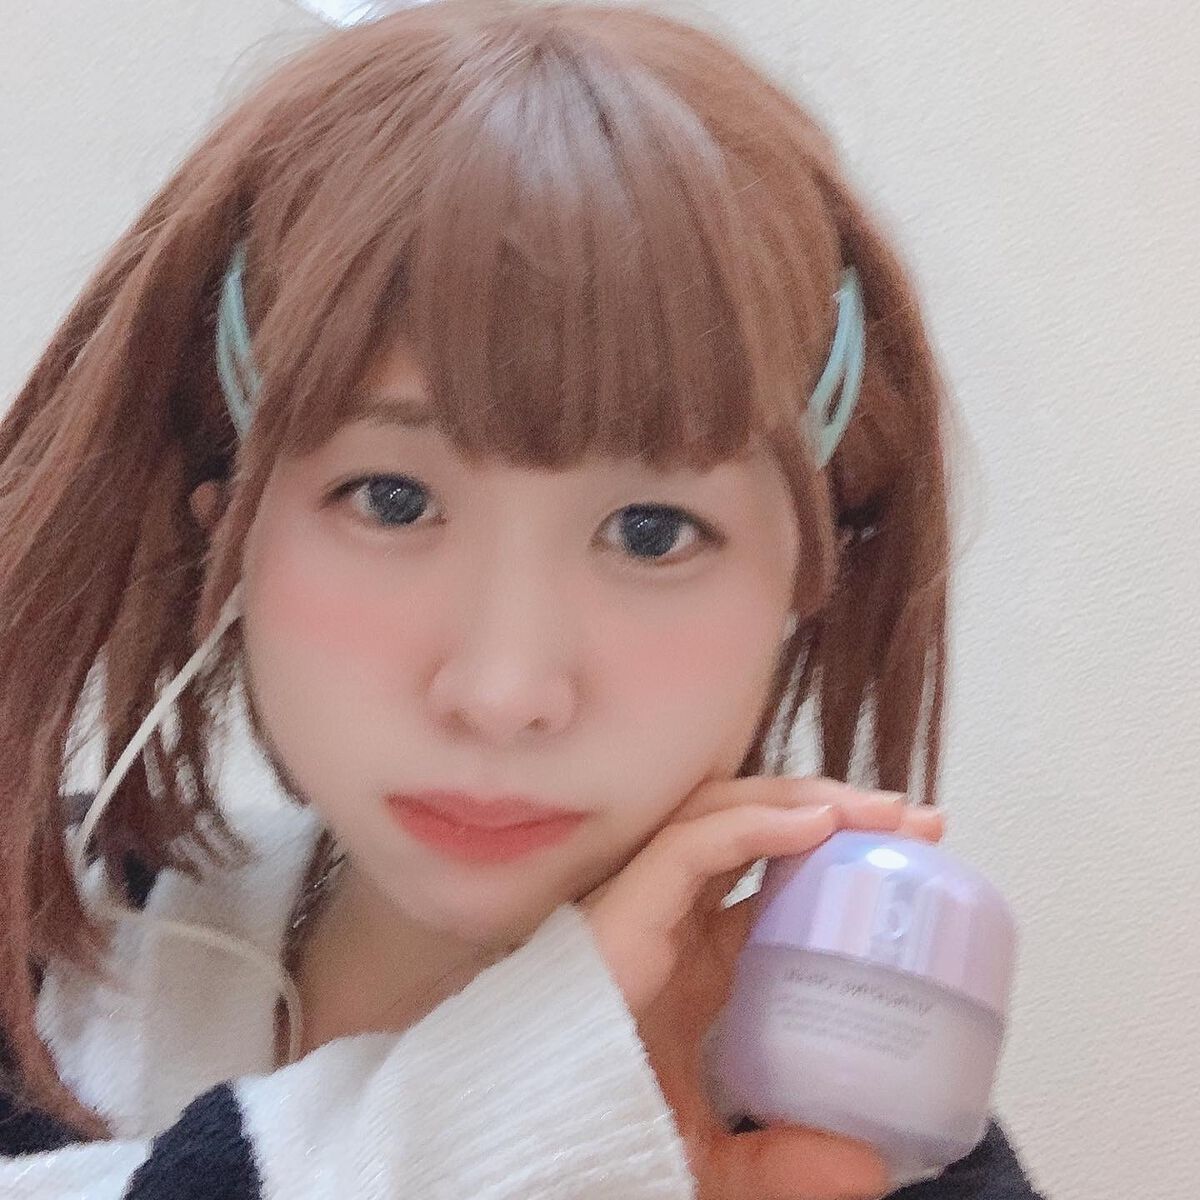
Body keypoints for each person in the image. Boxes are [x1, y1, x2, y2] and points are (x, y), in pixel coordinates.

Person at [0, 2, 1047, 1196]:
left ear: (813, 579)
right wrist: (489, 1121)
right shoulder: (42, 946)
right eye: (391, 499)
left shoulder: (852, 1143)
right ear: (225, 526)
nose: (502, 692)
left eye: (652, 532)